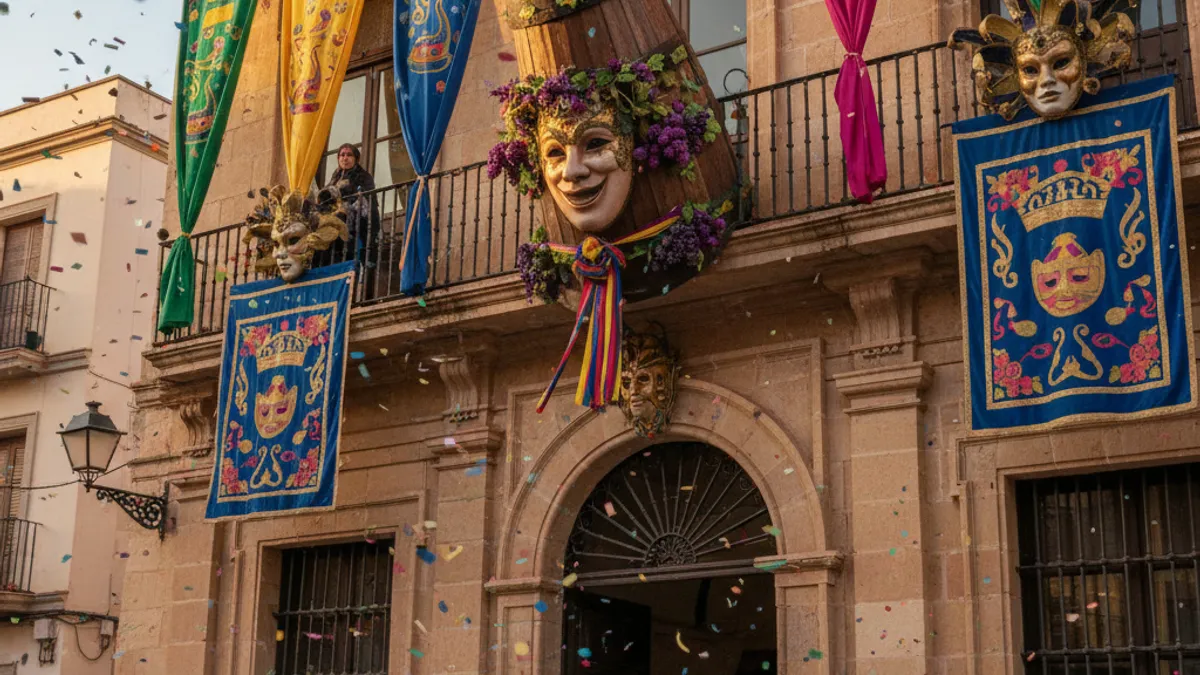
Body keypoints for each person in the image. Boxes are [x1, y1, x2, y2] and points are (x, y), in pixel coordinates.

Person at [324, 143, 381, 295]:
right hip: (335, 231)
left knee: (355, 261)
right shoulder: (334, 178)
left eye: (349, 155)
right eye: (342, 155)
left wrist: (349, 199)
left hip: (356, 228)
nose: (345, 158)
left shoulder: (363, 177)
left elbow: (367, 202)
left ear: (356, 158)